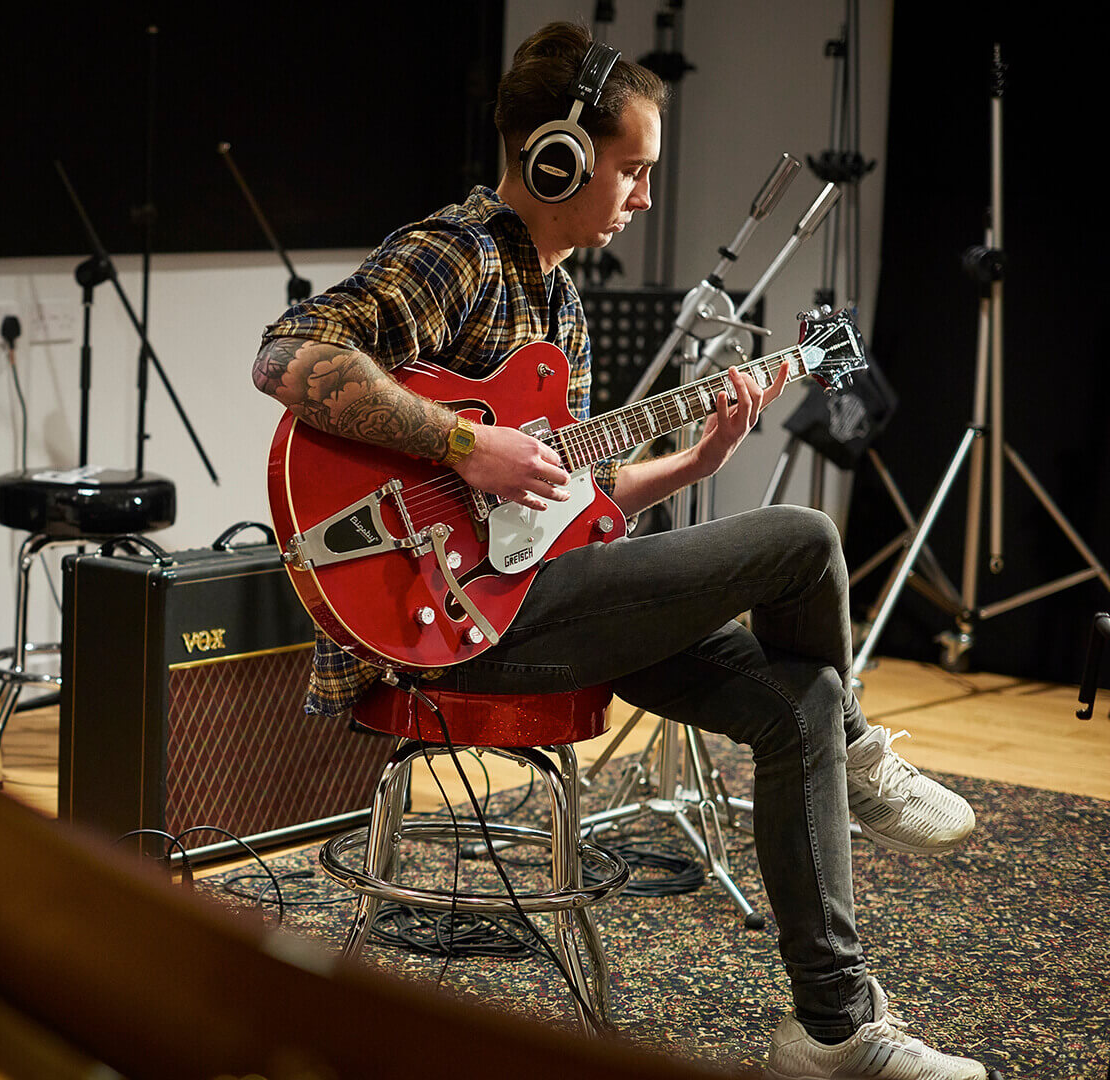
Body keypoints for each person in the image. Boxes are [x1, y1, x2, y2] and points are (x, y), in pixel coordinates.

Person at [252, 21, 985, 1080]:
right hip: (453, 623)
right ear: (559, 158)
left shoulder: (561, 301)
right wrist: (464, 440)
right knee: (805, 538)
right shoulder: (455, 251)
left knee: (801, 704)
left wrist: (695, 462)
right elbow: (288, 355)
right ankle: (869, 761)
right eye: (632, 169)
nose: (642, 194)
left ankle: (829, 1030)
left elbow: (569, 503)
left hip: (543, 591)